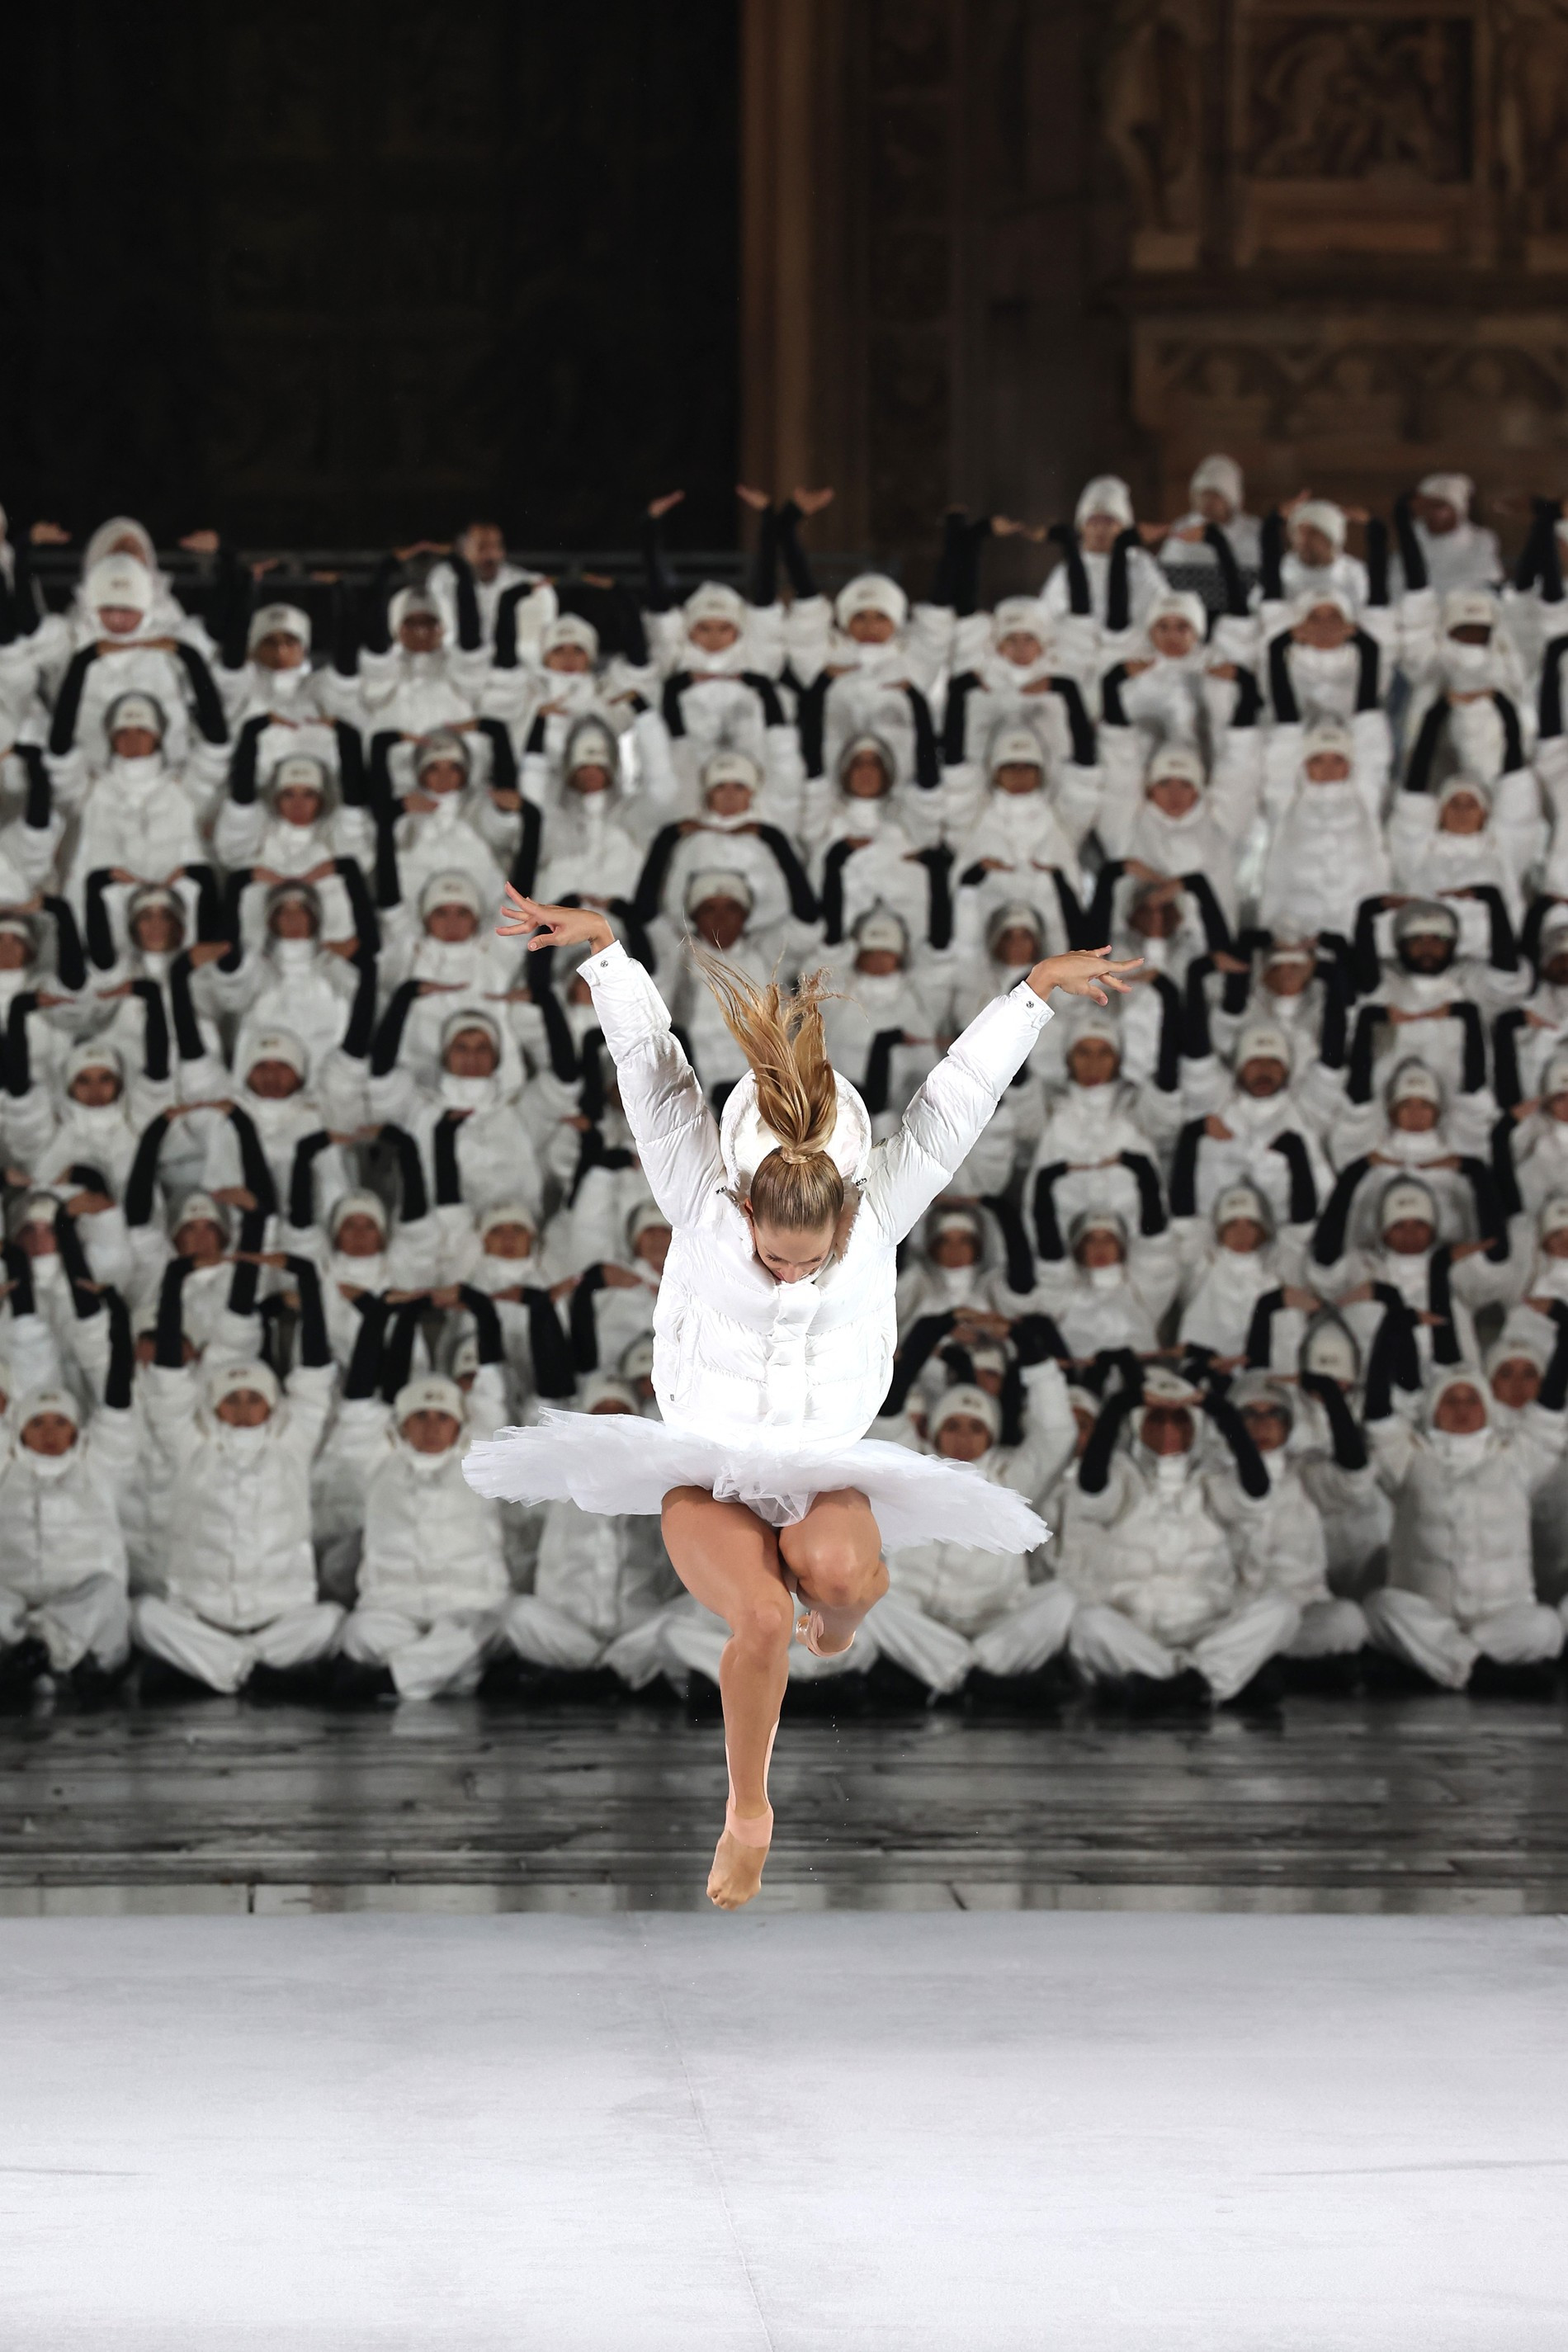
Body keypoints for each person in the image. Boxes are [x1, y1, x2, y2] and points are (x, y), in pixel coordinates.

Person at [466, 885, 1141, 1906]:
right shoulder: (701, 1198)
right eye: (773, 1259)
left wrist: (1033, 995)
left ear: (843, 1221)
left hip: (823, 1463)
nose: (790, 1274)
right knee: (761, 1621)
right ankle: (748, 1811)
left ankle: (843, 1618)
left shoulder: (876, 1214)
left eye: (808, 1262)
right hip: (705, 1465)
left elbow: (952, 1104)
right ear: (744, 1208)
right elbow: (654, 1075)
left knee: (838, 1578)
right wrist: (605, 954)